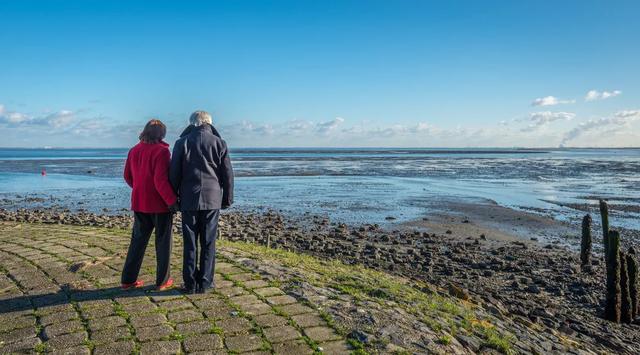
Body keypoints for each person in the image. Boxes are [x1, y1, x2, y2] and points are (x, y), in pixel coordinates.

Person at [170, 110, 234, 294]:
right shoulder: (219, 142)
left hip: (189, 198)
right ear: (209, 123)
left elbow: (174, 174)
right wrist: (227, 198)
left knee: (189, 242)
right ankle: (205, 282)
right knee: (208, 242)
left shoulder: (181, 143)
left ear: (192, 124)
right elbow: (227, 174)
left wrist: (173, 198)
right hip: (212, 199)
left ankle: (190, 283)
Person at [121, 119, 179, 290]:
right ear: (162, 134)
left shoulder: (134, 150)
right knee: (163, 243)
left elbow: (127, 176)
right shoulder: (162, 151)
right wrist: (172, 201)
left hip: (139, 202)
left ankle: (128, 280)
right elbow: (160, 180)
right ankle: (162, 281)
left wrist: (139, 188)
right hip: (159, 205)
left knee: (137, 242)